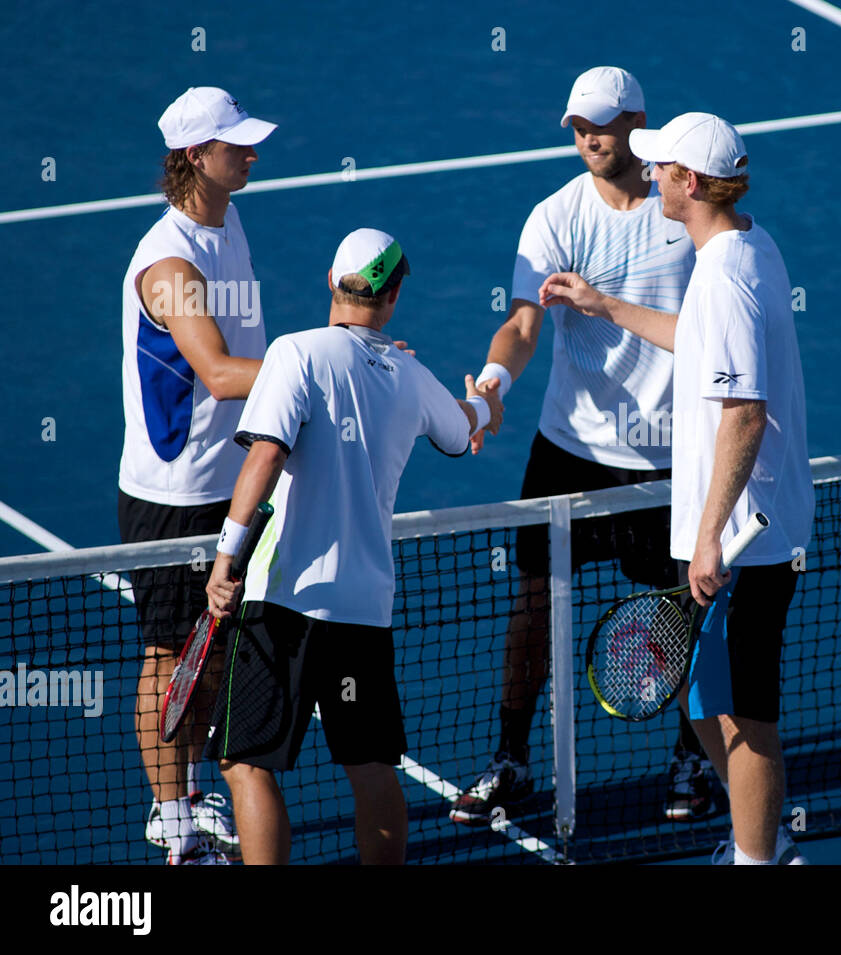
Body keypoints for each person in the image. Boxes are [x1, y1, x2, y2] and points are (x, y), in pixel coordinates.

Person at [539, 112, 814, 864]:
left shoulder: (724, 277)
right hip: (749, 532)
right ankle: (764, 836)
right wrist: (606, 307)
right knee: (701, 701)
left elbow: (745, 415)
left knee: (744, 715)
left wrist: (706, 535)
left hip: (746, 542)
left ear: (688, 184)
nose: (649, 173)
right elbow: (699, 342)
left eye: (661, 168)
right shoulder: (747, 245)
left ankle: (759, 857)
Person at [452, 67, 715, 825]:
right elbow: (524, 323)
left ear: (638, 120)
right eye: (577, 125)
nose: (588, 137)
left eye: (602, 123)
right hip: (569, 452)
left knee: (687, 609)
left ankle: (692, 756)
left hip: (669, 458)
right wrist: (492, 383)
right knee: (532, 606)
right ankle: (511, 756)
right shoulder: (554, 218)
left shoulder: (684, 211)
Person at [203, 229, 503, 865]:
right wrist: (484, 404)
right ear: (392, 298)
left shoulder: (295, 354)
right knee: (369, 768)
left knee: (246, 763)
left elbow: (265, 455)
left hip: (283, 602)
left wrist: (226, 557)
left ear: (330, 283)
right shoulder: (410, 373)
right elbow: (464, 426)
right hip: (362, 612)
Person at [119, 86, 276, 864]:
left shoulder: (227, 217)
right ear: (192, 158)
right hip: (172, 497)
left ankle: (187, 794)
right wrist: (317, 368)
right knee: (166, 656)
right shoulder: (171, 263)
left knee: (213, 649)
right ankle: (172, 819)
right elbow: (215, 372)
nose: (251, 152)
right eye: (235, 144)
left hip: (228, 482)